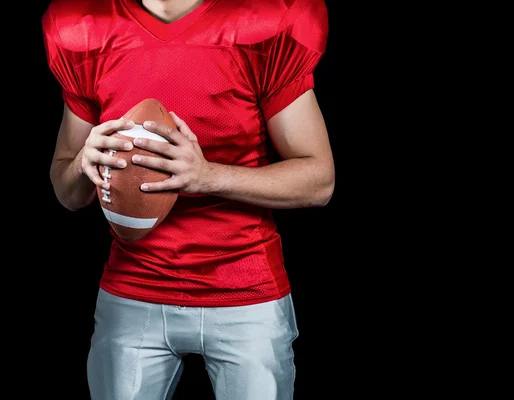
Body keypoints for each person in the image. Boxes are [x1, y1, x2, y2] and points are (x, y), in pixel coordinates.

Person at [41, 0, 334, 399]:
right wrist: (82, 164)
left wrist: (208, 176)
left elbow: (319, 181)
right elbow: (67, 191)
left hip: (243, 289)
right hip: (133, 288)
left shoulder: (261, 22)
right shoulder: (87, 28)